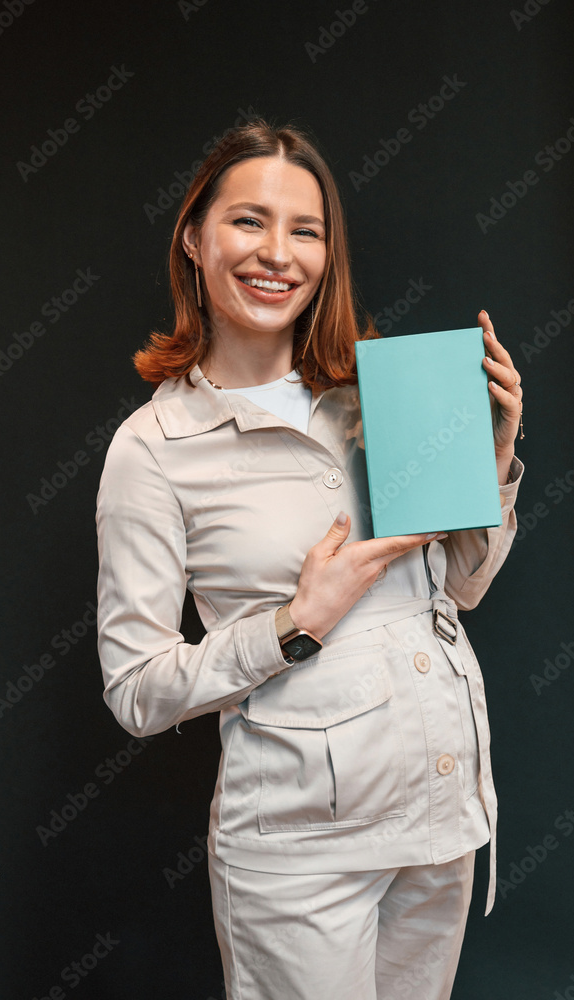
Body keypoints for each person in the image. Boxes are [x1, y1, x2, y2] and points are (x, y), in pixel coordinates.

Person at [95, 117, 524, 1000]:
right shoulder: (153, 448)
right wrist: (294, 624)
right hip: (298, 852)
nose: (276, 253)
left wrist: (491, 462)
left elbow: (460, 590)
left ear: (328, 255)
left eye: (305, 230)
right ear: (194, 238)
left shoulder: (375, 394)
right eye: (248, 221)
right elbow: (136, 690)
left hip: (441, 818)